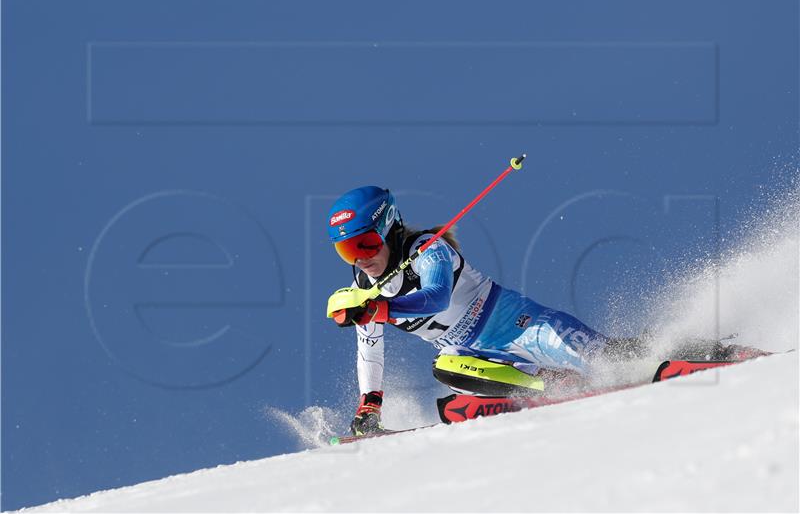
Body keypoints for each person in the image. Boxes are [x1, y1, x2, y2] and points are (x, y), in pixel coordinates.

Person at [326, 186, 765, 435]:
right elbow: (370, 352)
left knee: (609, 359)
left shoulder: (428, 250)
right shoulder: (364, 289)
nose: (361, 257)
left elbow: (437, 297)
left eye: (366, 243)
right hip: (477, 358)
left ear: (388, 227)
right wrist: (370, 406)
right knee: (446, 367)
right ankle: (549, 385)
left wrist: (379, 310)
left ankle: (714, 351)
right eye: (348, 249)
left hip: (515, 323)